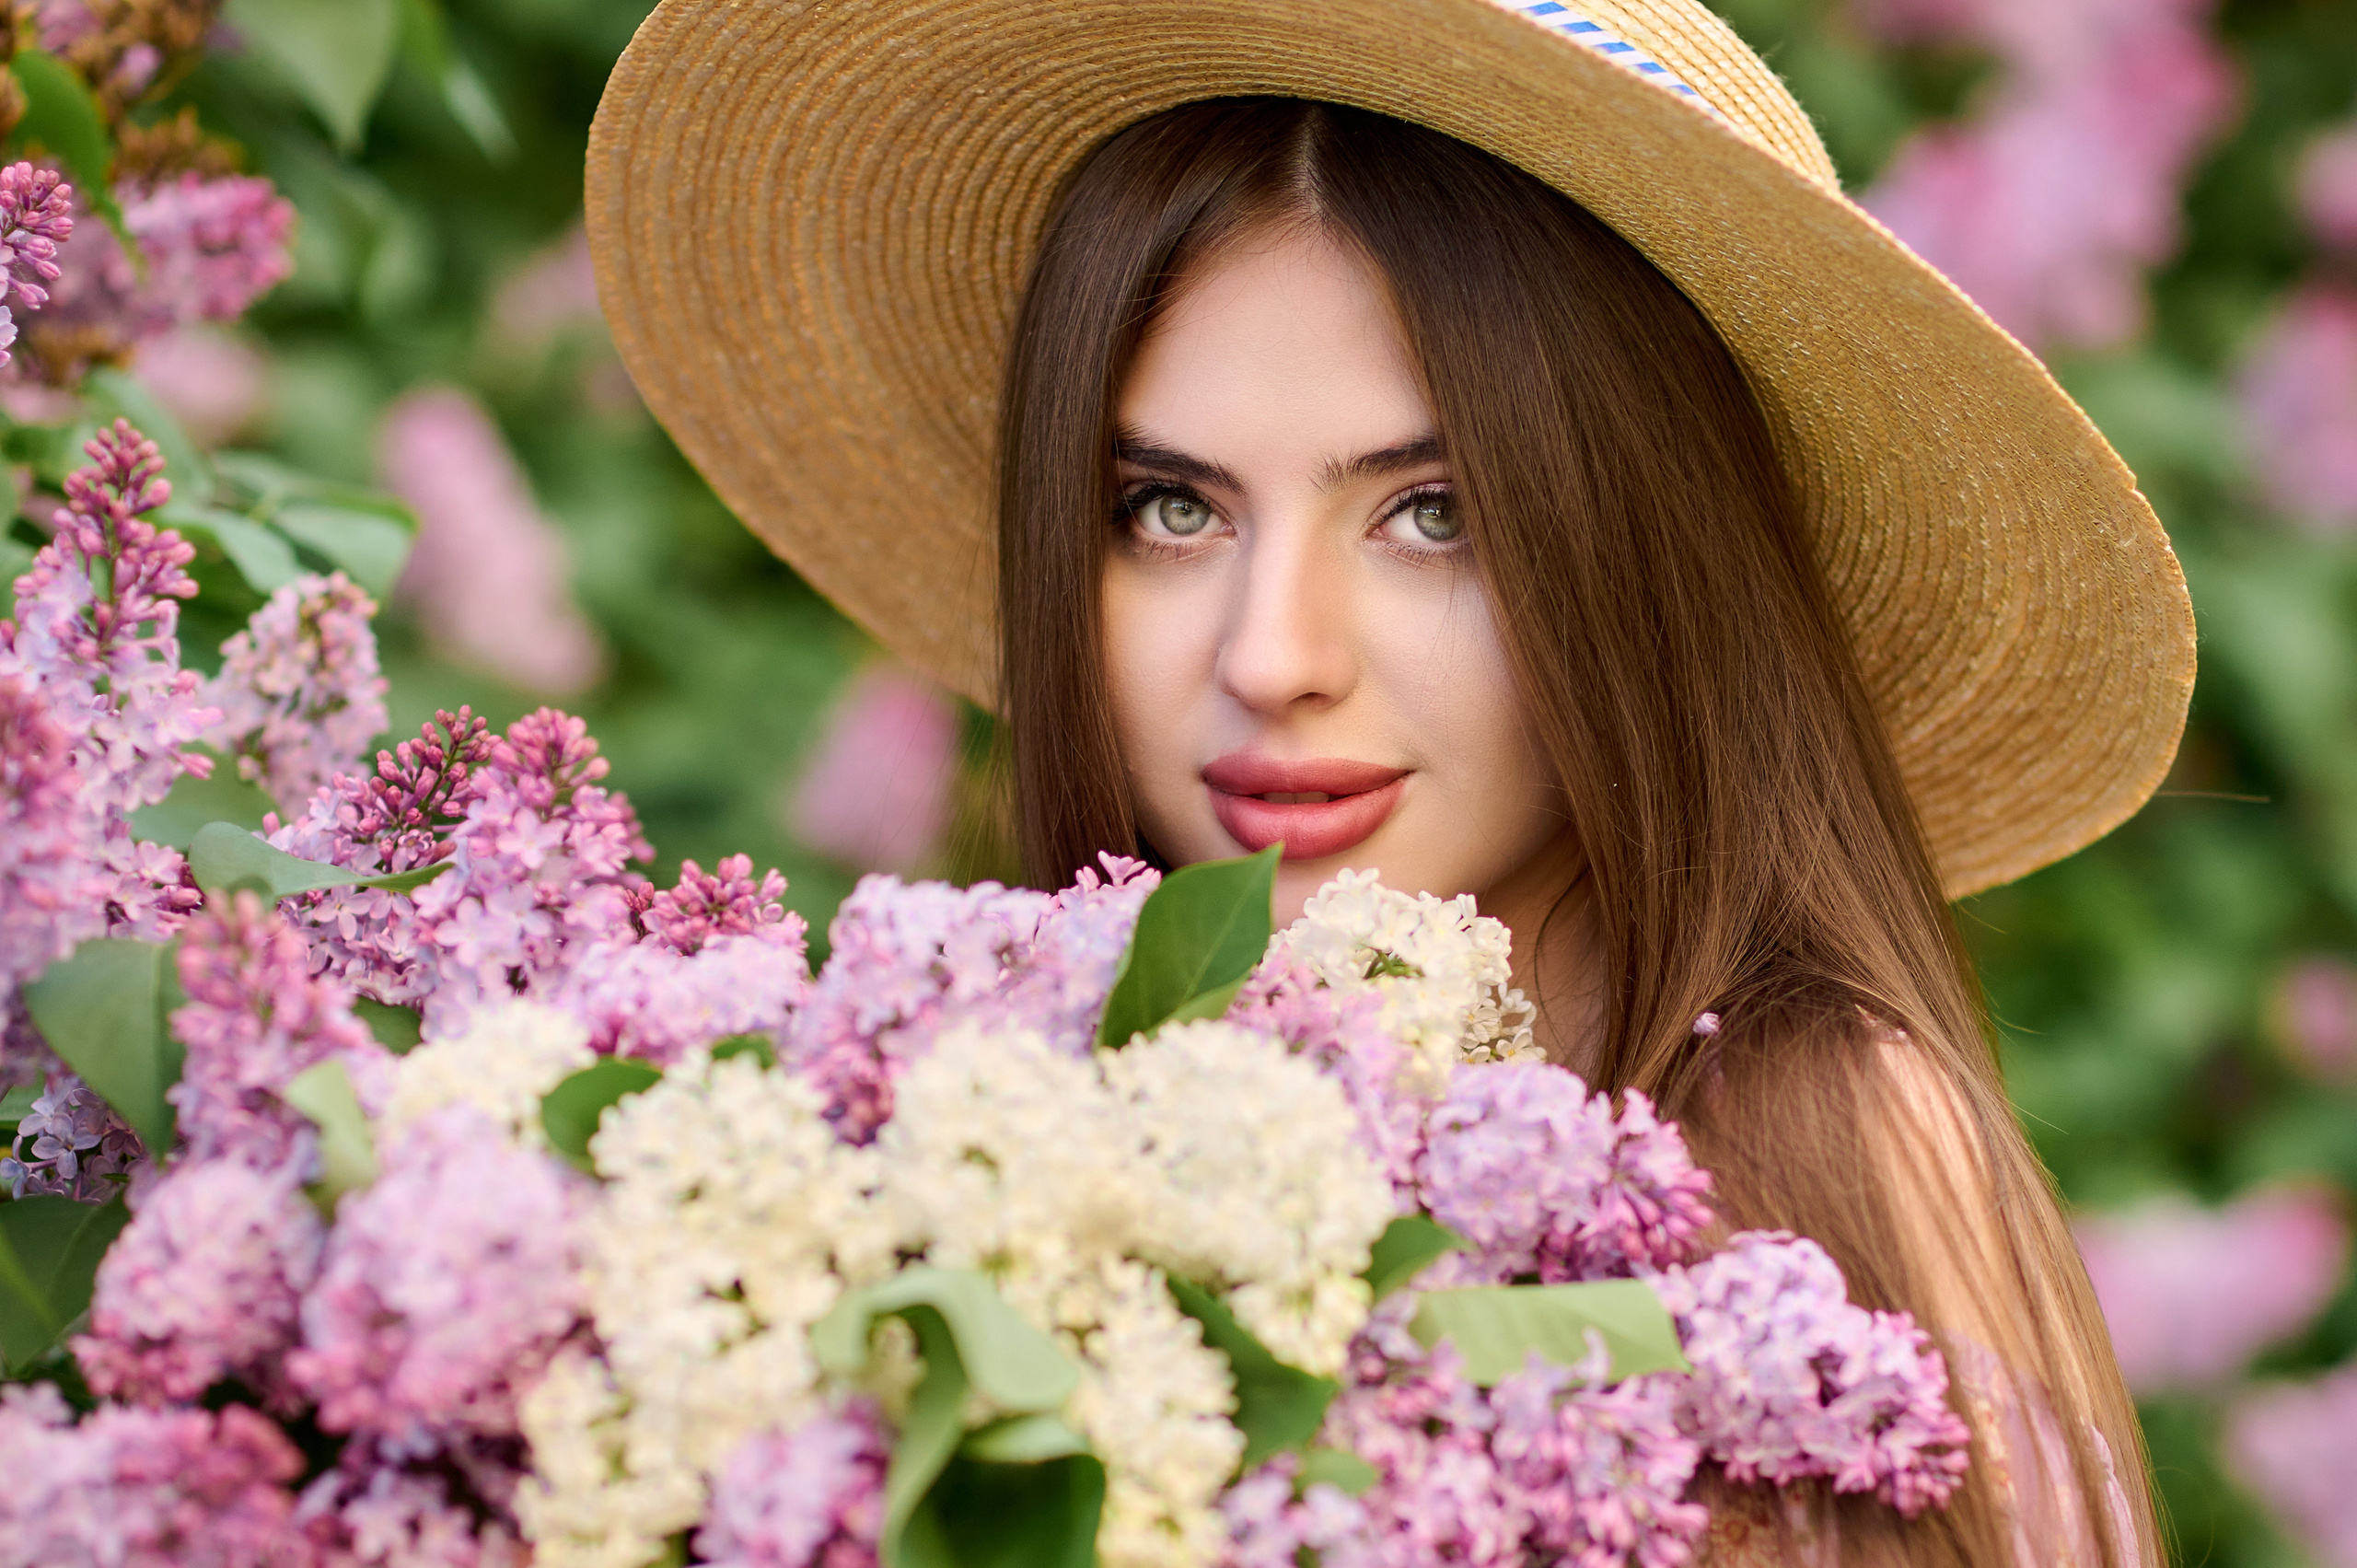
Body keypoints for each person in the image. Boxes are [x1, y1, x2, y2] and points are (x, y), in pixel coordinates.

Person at [586, 2, 2195, 1563]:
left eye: (1433, 513)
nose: (1274, 657)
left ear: (1645, 554)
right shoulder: (956, 1157)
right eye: (1167, 509)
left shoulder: (1820, 1139)